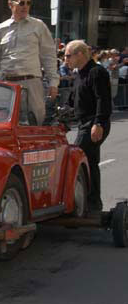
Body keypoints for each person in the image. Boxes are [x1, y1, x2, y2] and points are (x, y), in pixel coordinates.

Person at [0, 0, 59, 125]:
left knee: (35, 125)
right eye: (21, 3)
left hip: (31, 83)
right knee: (3, 125)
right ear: (11, 4)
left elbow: (48, 56)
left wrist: (53, 82)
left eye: (28, 3)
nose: (25, 6)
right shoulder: (0, 30)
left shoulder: (39, 26)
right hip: (6, 85)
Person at [64, 40, 112, 215]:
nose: (65, 60)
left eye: (68, 55)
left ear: (80, 54)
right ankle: (92, 204)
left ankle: (83, 204)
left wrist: (98, 123)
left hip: (94, 123)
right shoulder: (79, 74)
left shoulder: (97, 72)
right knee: (90, 162)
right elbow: (72, 101)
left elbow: (103, 99)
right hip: (83, 123)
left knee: (77, 157)